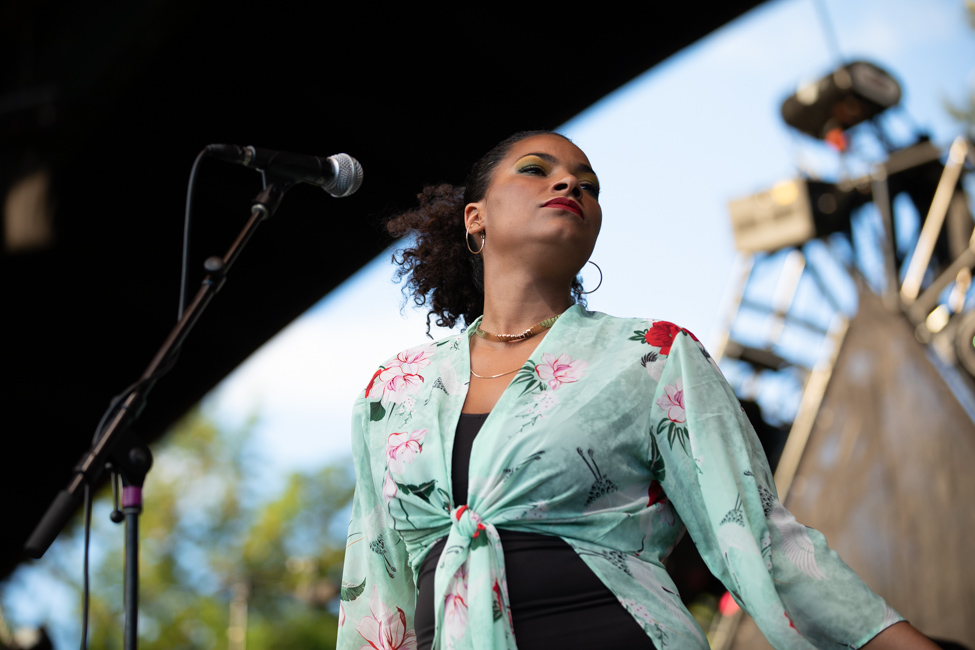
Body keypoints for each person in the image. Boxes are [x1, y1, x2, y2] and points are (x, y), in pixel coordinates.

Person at [336, 131, 938, 650]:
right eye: (537, 171)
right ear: (477, 217)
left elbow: (759, 538)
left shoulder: (650, 354)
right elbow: (373, 594)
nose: (571, 186)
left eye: (589, 184)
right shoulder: (393, 391)